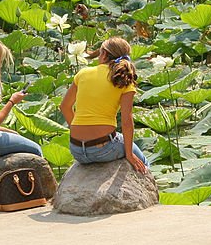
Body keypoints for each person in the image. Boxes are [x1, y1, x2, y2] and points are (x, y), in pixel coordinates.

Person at [60, 37, 149, 173]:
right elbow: (126, 121)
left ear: (104, 54)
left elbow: (64, 107)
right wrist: (129, 155)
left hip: (77, 150)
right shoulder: (124, 80)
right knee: (143, 161)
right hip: (104, 150)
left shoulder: (82, 73)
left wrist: (81, 132)